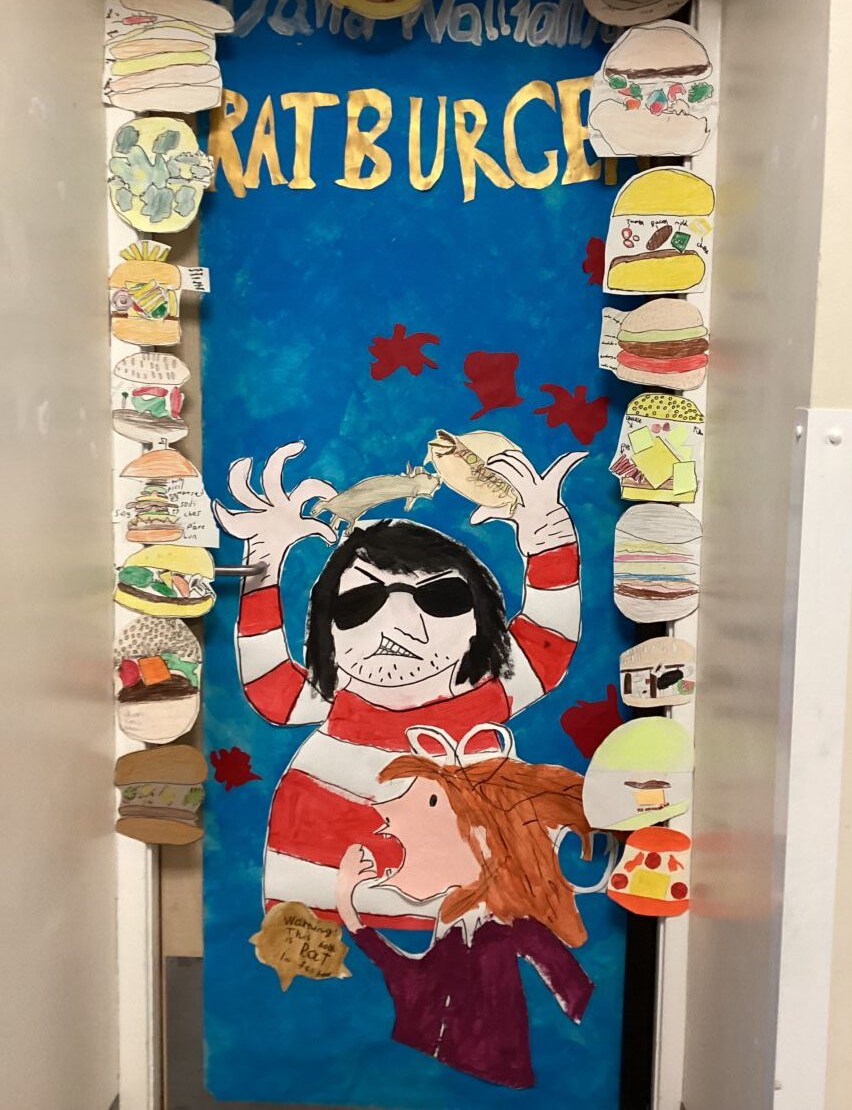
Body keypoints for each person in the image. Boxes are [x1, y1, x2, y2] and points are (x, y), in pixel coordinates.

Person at [214, 441, 584, 926]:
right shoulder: (338, 699)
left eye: (441, 599)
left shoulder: (483, 699)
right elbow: (269, 686)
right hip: (316, 924)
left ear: (481, 623)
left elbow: (548, 639)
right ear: (325, 629)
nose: (399, 624)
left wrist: (548, 536)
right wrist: (262, 564)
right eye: (360, 603)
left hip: (465, 926)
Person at [335, 725, 594, 1090]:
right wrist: (347, 906)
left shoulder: (518, 931)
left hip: (491, 1085)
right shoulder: (455, 926)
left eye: (432, 806)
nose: (392, 830)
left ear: (482, 838)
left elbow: (578, 999)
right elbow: (411, 978)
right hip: (422, 1078)